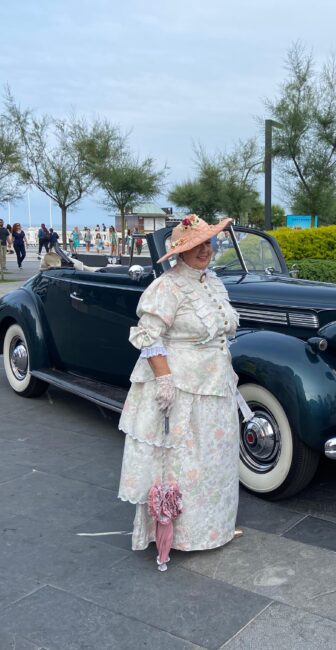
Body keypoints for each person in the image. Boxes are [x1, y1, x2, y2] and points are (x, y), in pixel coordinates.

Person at [118, 214, 242, 567]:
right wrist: (164, 379)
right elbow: (149, 336)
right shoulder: (168, 287)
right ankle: (182, 536)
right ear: (179, 252)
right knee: (185, 462)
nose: (205, 251)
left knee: (214, 460)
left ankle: (214, 528)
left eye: (208, 243)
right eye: (195, 246)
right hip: (183, 388)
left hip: (216, 384)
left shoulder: (212, 283)